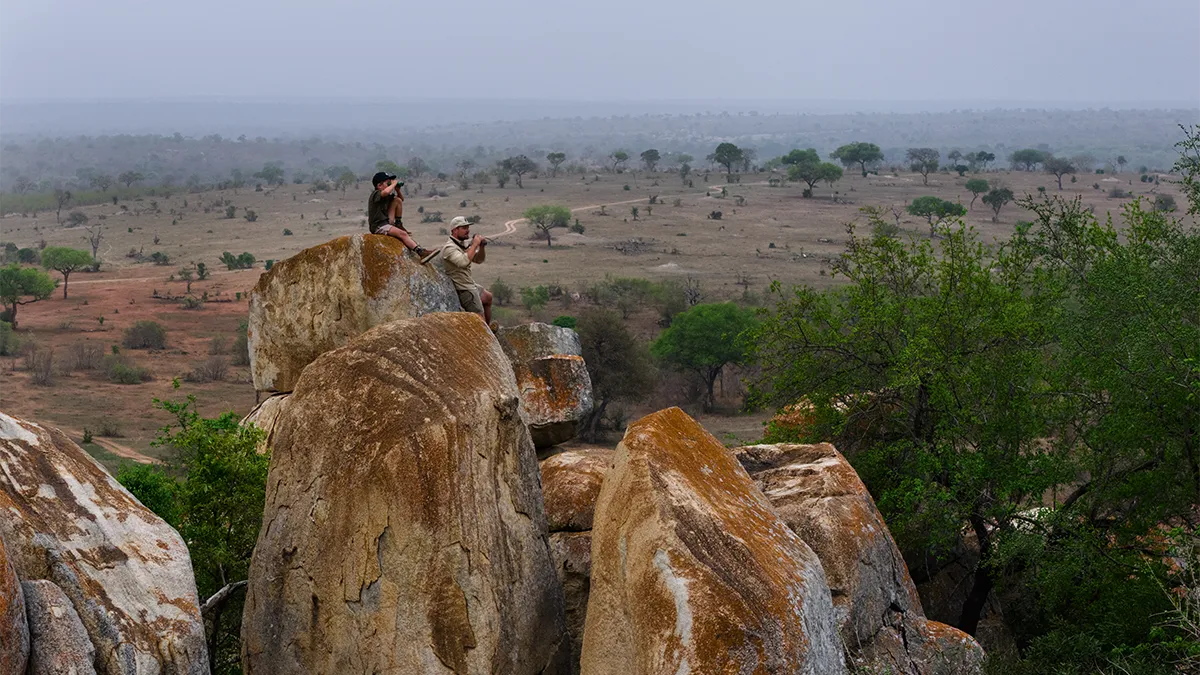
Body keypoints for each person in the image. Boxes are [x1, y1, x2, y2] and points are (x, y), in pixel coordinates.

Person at [367, 171, 438, 264]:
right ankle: (421, 252)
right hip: (378, 225)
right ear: (379, 185)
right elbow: (385, 192)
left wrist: (397, 189)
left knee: (397, 200)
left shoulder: (387, 196)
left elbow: (401, 199)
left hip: (386, 221)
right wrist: (394, 183)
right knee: (403, 235)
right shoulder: (376, 194)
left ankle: (398, 224)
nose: (390, 184)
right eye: (387, 182)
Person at [442, 216, 495, 329]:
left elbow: (479, 260)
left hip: (469, 283)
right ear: (455, 230)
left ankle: (489, 328)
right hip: (464, 288)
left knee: (488, 297)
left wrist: (481, 247)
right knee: (480, 319)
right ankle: (486, 335)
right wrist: (474, 244)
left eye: (468, 227)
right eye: (464, 228)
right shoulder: (449, 248)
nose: (468, 230)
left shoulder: (461, 244)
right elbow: (463, 262)